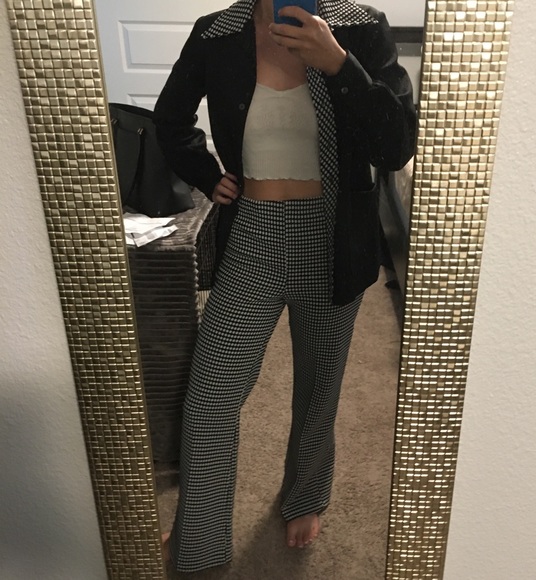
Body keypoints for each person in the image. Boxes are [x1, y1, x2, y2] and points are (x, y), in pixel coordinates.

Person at [153, 0, 416, 573]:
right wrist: (207, 175)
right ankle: (199, 529)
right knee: (211, 396)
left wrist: (339, 63)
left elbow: (396, 146)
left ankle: (305, 494)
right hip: (252, 234)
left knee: (319, 385)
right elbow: (169, 119)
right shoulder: (216, 32)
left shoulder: (360, 28)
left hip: (333, 237)